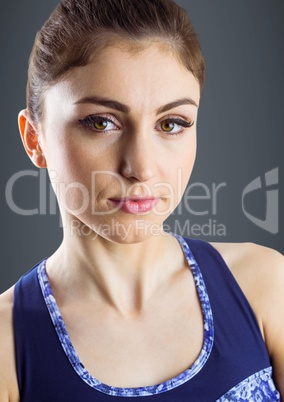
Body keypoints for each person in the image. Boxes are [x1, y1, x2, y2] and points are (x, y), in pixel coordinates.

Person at [0, 0, 283, 400]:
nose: (142, 168)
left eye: (172, 124)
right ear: (35, 139)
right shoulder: (6, 347)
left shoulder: (264, 285)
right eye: (101, 122)